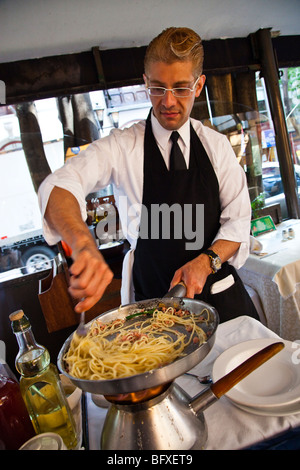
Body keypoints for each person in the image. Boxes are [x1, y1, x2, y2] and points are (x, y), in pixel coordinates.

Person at [38, 27, 259, 323]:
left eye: (180, 88)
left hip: (219, 296)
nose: (168, 101)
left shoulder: (216, 146)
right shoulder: (122, 145)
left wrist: (207, 261)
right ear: (145, 83)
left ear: (198, 85)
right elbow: (60, 185)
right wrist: (82, 244)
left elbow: (238, 222)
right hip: (155, 306)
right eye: (157, 88)